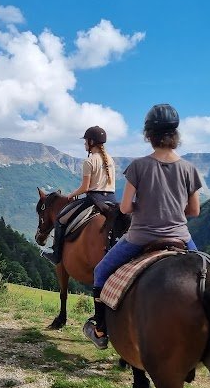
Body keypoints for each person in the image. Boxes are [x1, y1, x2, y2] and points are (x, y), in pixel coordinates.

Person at [83, 104, 203, 349]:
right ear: (176, 136)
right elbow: (194, 211)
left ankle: (100, 328)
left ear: (149, 136)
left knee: (101, 272)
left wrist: (146, 207)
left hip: (140, 237)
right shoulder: (190, 169)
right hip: (181, 236)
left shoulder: (138, 166)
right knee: (204, 272)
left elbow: (125, 208)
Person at [42, 126, 117, 264]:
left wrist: (71, 195)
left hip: (94, 200)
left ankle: (56, 255)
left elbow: (85, 187)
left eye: (85, 141)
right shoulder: (110, 160)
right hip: (112, 200)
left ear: (91, 142)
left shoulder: (89, 161)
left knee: (60, 220)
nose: (84, 144)